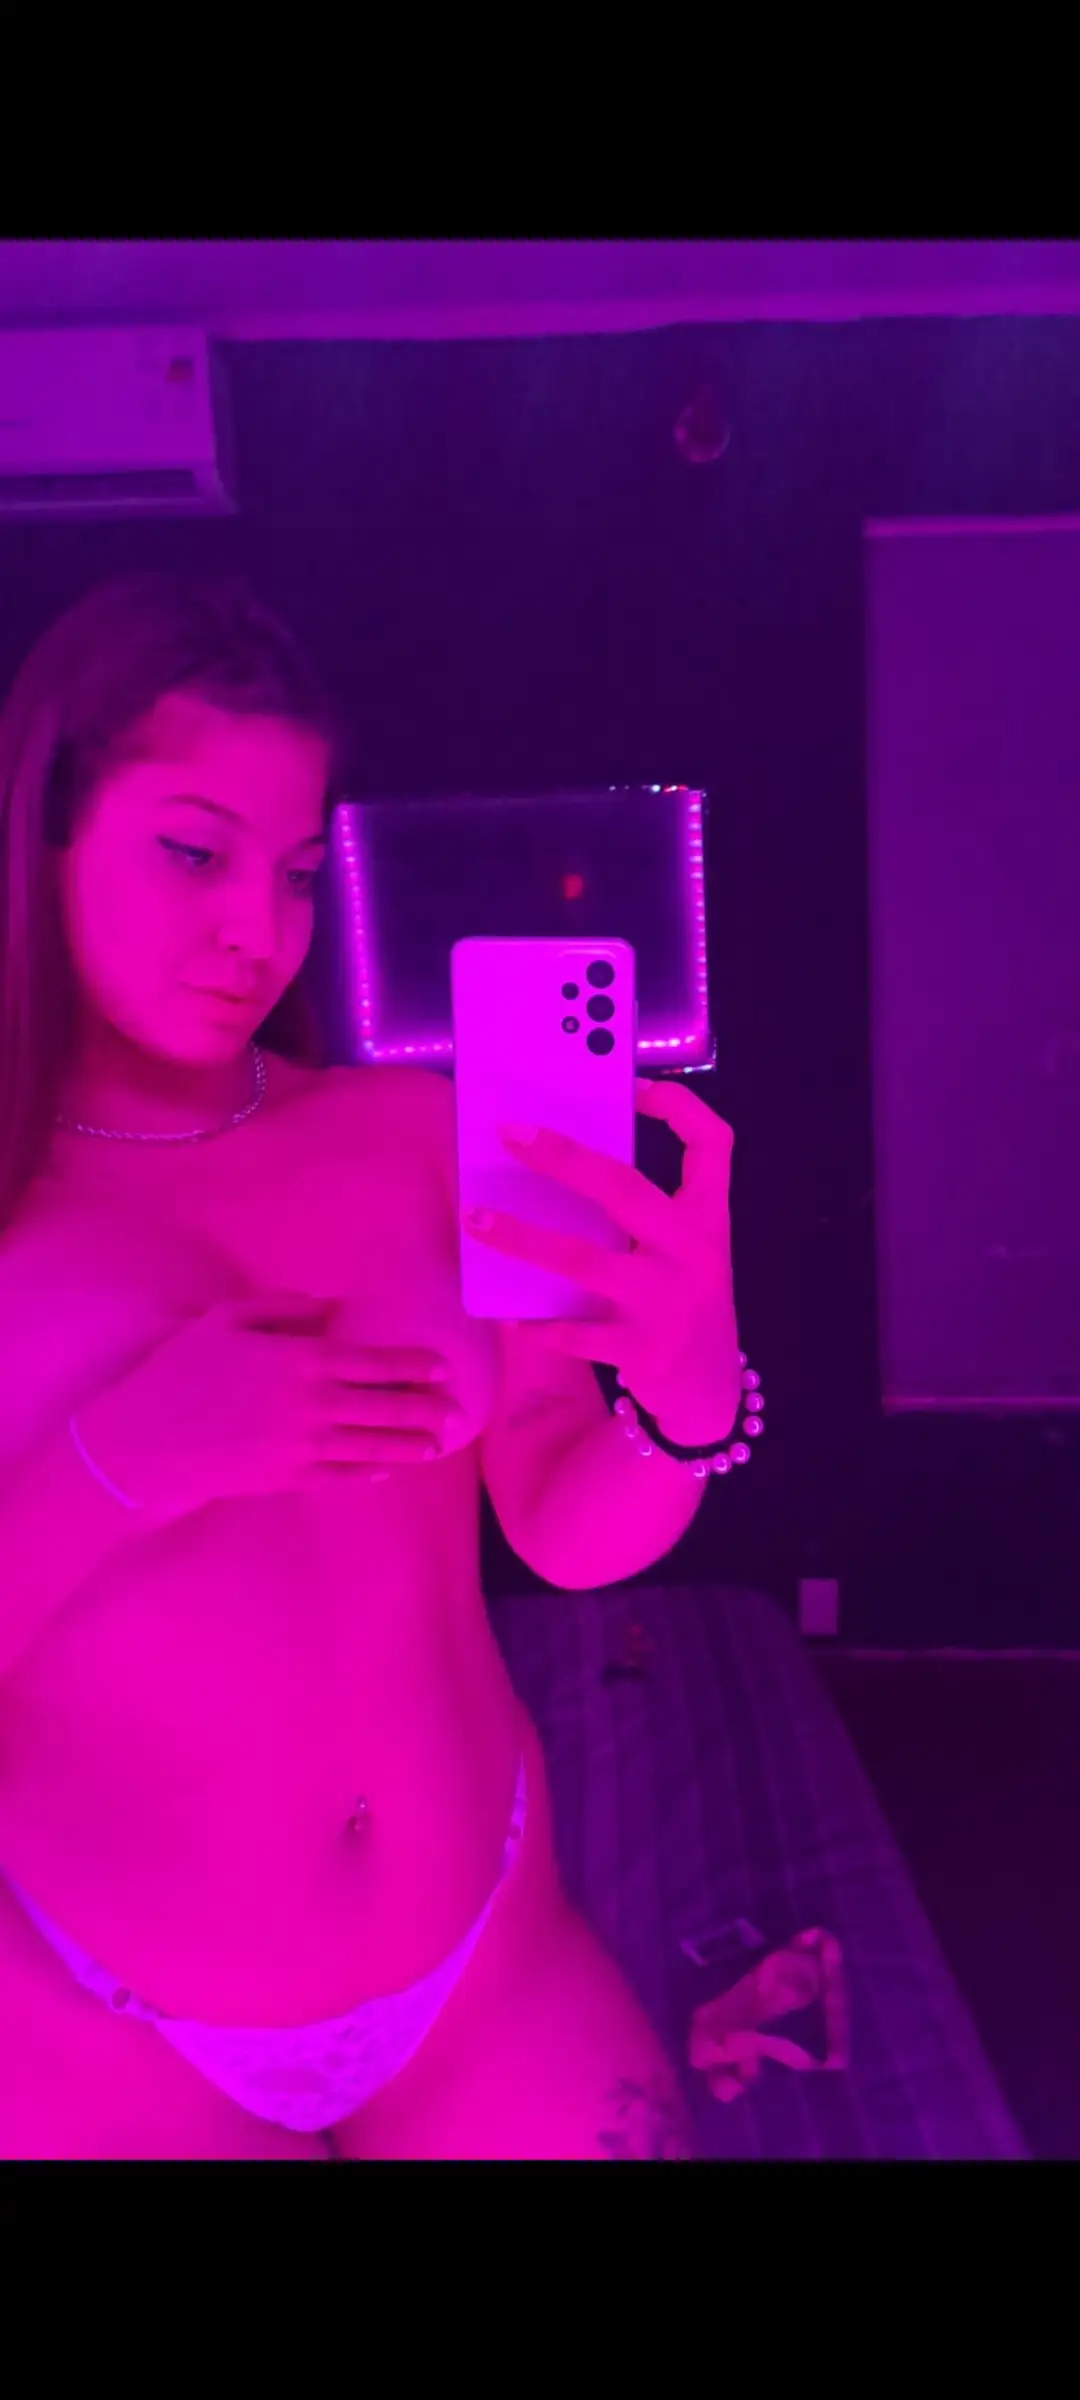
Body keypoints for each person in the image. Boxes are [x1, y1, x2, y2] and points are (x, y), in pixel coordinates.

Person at [0, 572, 695, 2160]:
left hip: (482, 1970)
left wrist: (683, 1397)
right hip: (102, 2026)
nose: (257, 930)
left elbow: (561, 1515)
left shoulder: (418, 1134)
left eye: (299, 871)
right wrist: (125, 1458)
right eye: (194, 852)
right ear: (45, 833)